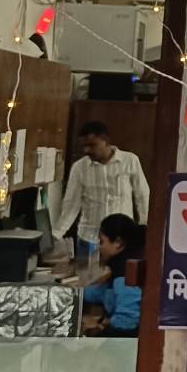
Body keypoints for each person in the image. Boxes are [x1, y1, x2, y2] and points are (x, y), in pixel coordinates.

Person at [55, 120, 150, 274]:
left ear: (106, 141)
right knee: (86, 280)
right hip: (89, 237)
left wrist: (144, 227)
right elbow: (71, 204)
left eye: (92, 145)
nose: (87, 150)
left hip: (120, 239)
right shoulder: (79, 168)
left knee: (120, 276)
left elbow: (142, 195)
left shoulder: (129, 161)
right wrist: (57, 234)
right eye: (84, 146)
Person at [81, 215, 146, 335]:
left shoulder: (125, 272)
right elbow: (105, 293)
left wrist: (99, 331)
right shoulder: (123, 263)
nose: (99, 247)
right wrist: (74, 293)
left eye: (102, 242)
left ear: (118, 243)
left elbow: (127, 321)